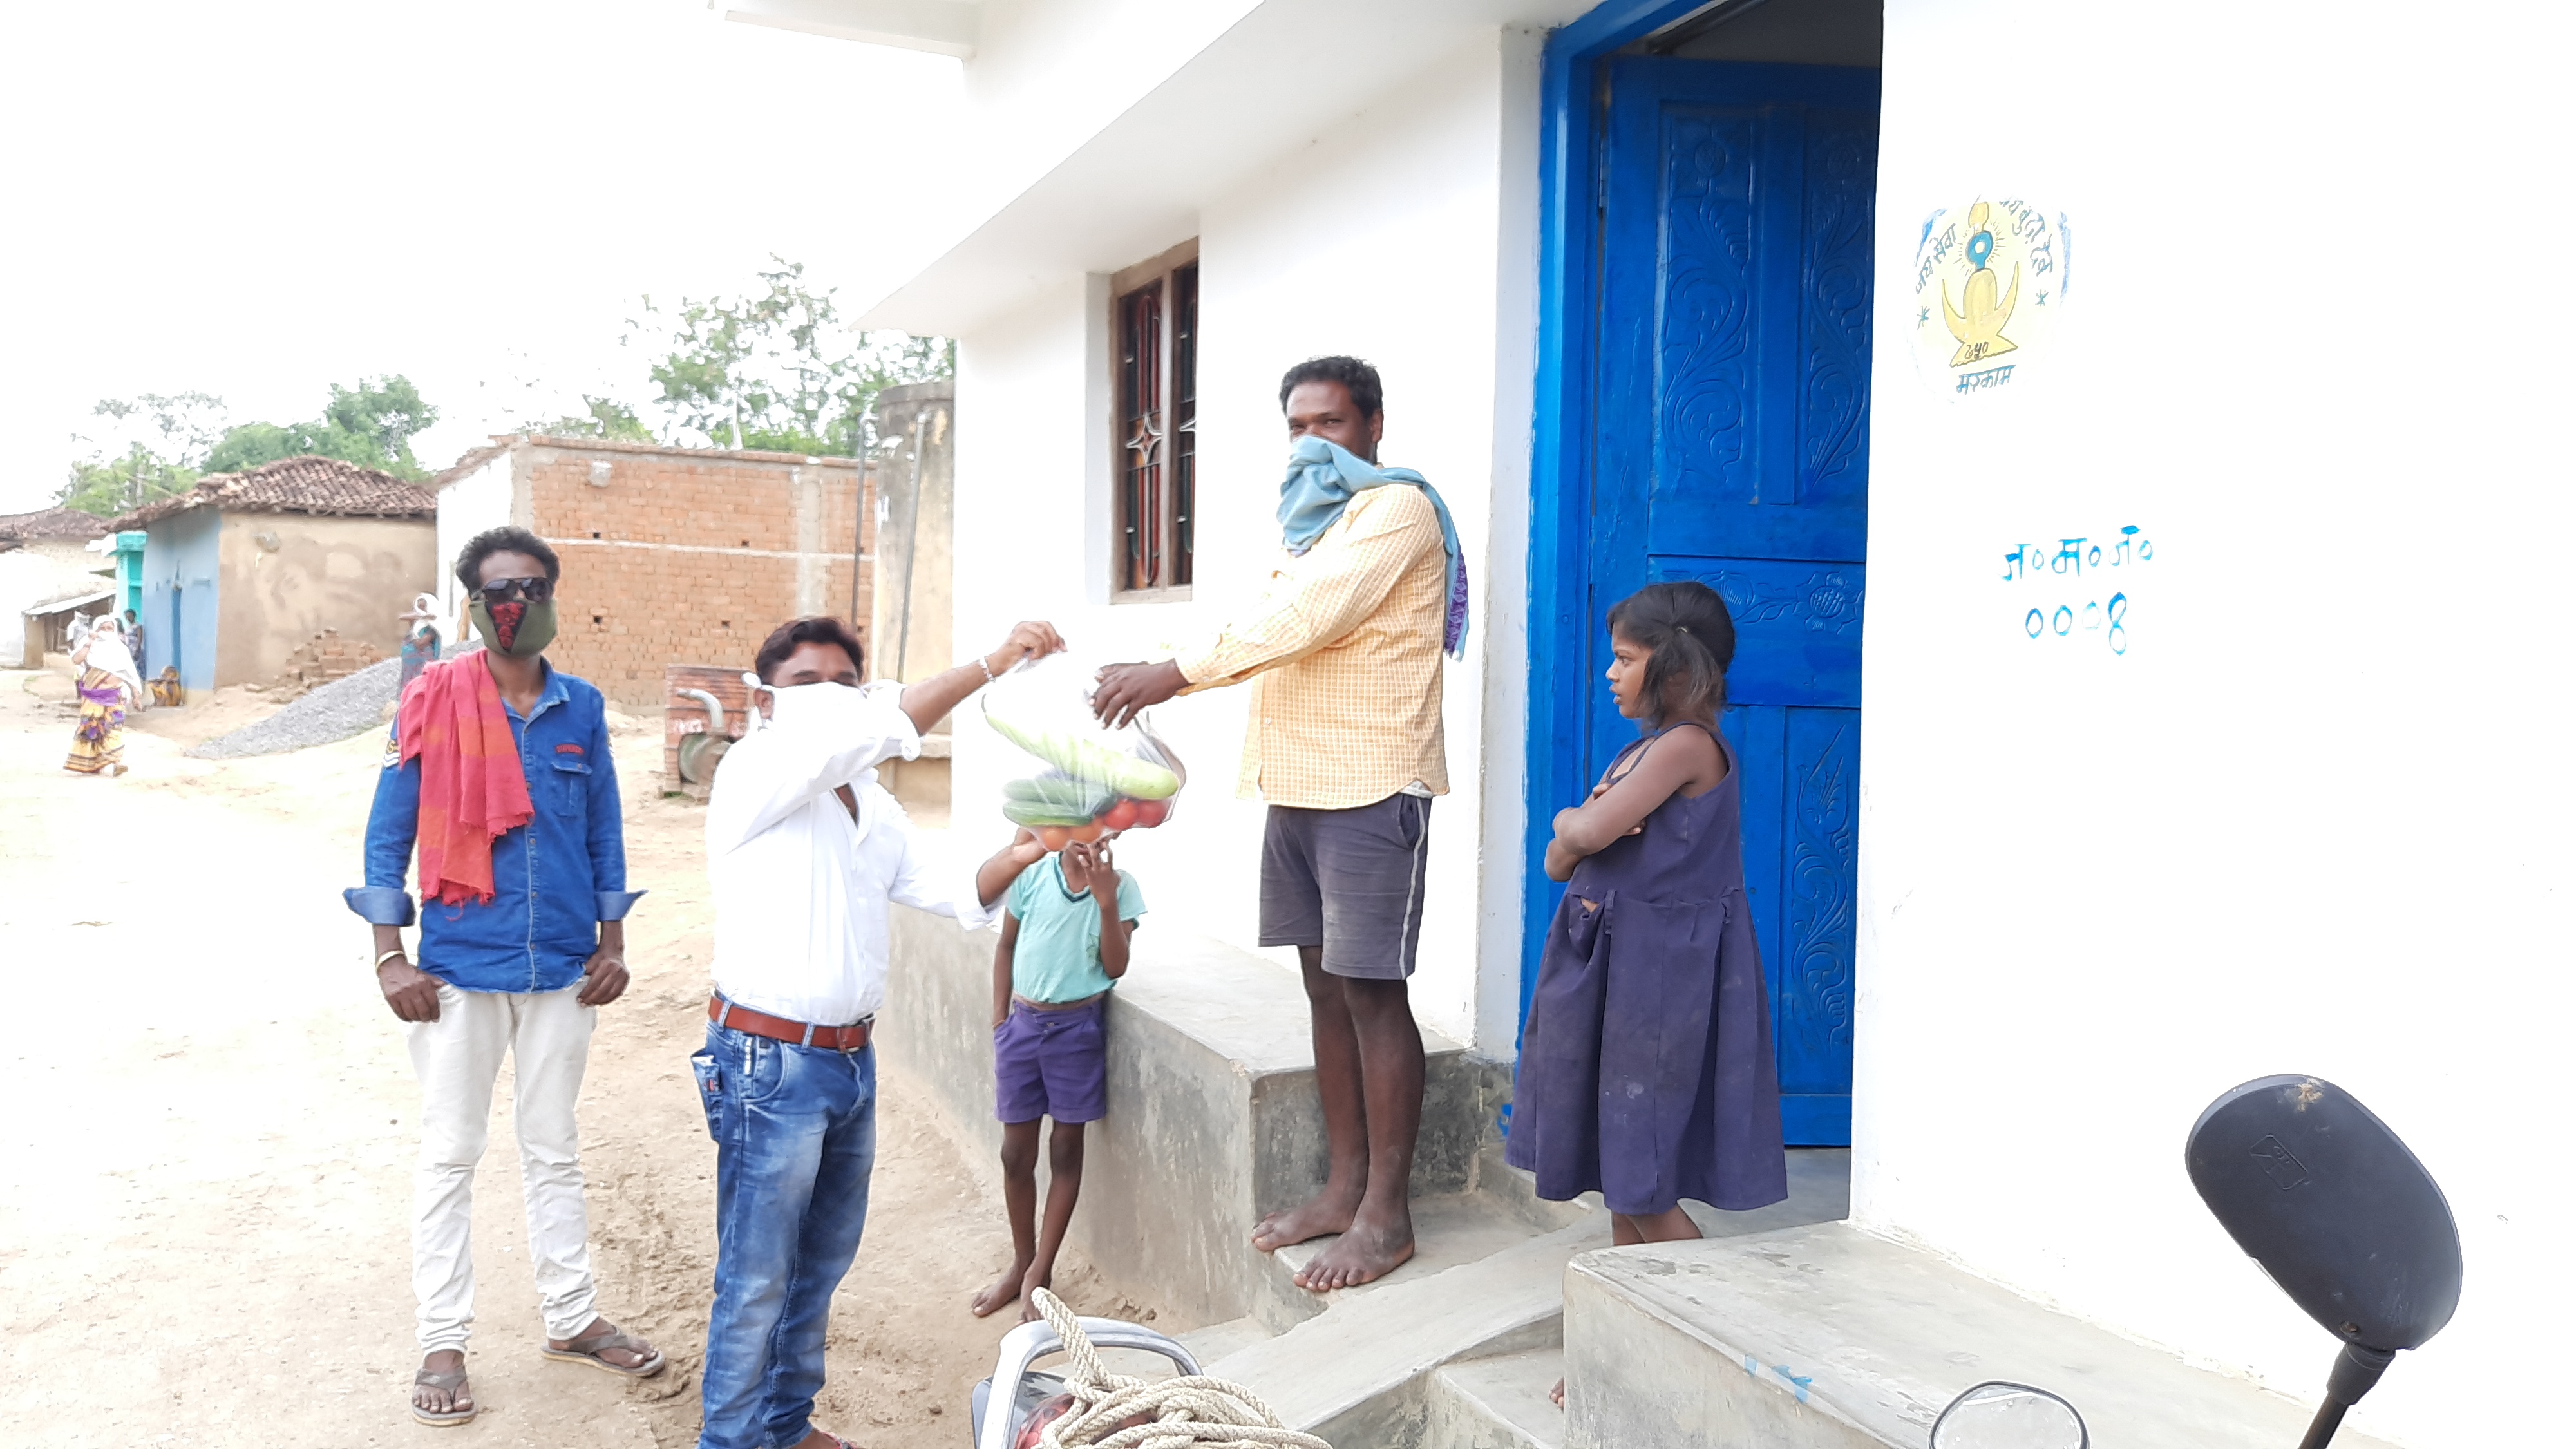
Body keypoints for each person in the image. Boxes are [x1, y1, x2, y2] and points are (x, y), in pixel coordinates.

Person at [1092, 355, 1469, 1292]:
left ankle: (1387, 1216)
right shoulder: (1313, 528)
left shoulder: (1397, 510)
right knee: (1323, 992)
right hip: (1296, 785)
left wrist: (1174, 671)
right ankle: (1343, 1188)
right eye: (1298, 427)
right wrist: (1171, 660)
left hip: (1374, 784)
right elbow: (1267, 611)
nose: (1312, 444)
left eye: (1331, 425)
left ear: (1374, 426)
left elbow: (1304, 618)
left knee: (1373, 993)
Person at [694, 613, 1063, 1449]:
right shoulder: (758, 769)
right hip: (767, 1063)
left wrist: (1026, 849)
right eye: (803, 683)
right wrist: (994, 661)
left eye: (839, 682)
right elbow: (881, 722)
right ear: (765, 699)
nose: (823, 698)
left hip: (847, 1064)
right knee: (755, 1280)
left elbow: (949, 884)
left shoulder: (869, 799)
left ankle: (785, 1426)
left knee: (817, 1266)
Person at [345, 526, 663, 1428]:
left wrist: (613, 943)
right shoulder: (430, 700)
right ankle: (443, 1336)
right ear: (474, 607)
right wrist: (387, 954)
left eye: (530, 585)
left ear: (553, 594)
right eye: (496, 591)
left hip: (563, 966)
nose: (514, 602)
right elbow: (386, 833)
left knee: (553, 1147)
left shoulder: (583, 708)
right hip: (457, 968)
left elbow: (604, 829)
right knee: (450, 1153)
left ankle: (571, 1317)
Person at [1505, 581, 1788, 1404]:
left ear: (1673, 663)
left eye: (1625, 659)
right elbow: (1561, 861)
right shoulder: (1640, 754)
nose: (1609, 673)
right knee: (1627, 1188)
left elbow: (1582, 837)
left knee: (1647, 1189)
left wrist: (1575, 820)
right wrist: (1574, 828)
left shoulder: (1686, 747)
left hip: (1656, 985)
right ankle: (1625, 1354)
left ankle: (1711, 1352)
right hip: (1616, 975)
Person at [971, 837, 1146, 1321]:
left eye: (1100, 827)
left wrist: (1106, 903)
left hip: (1077, 1030)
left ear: (1114, 833)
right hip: (1023, 1028)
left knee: (1066, 1149)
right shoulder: (1031, 877)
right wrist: (999, 1019)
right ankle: (1021, 1260)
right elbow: (1006, 945)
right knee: (1014, 1154)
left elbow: (1116, 967)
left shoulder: (1121, 888)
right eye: (1076, 823)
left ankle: (1040, 1271)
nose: (1087, 838)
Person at [65, 613, 145, 777]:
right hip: (92, 695)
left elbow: (129, 673)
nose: (107, 632)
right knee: (91, 728)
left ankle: (117, 763)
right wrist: (90, 641)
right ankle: (91, 764)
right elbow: (76, 660)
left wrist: (136, 696)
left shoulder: (121, 649)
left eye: (110, 629)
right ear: (96, 629)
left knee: (114, 727)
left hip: (114, 696)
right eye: (103, 629)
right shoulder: (89, 645)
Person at [399, 592, 444, 693]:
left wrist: (412, 632)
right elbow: (401, 617)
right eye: (419, 607)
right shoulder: (417, 628)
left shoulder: (431, 629)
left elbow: (420, 645)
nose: (421, 610)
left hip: (421, 671)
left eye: (424, 607)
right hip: (409, 672)